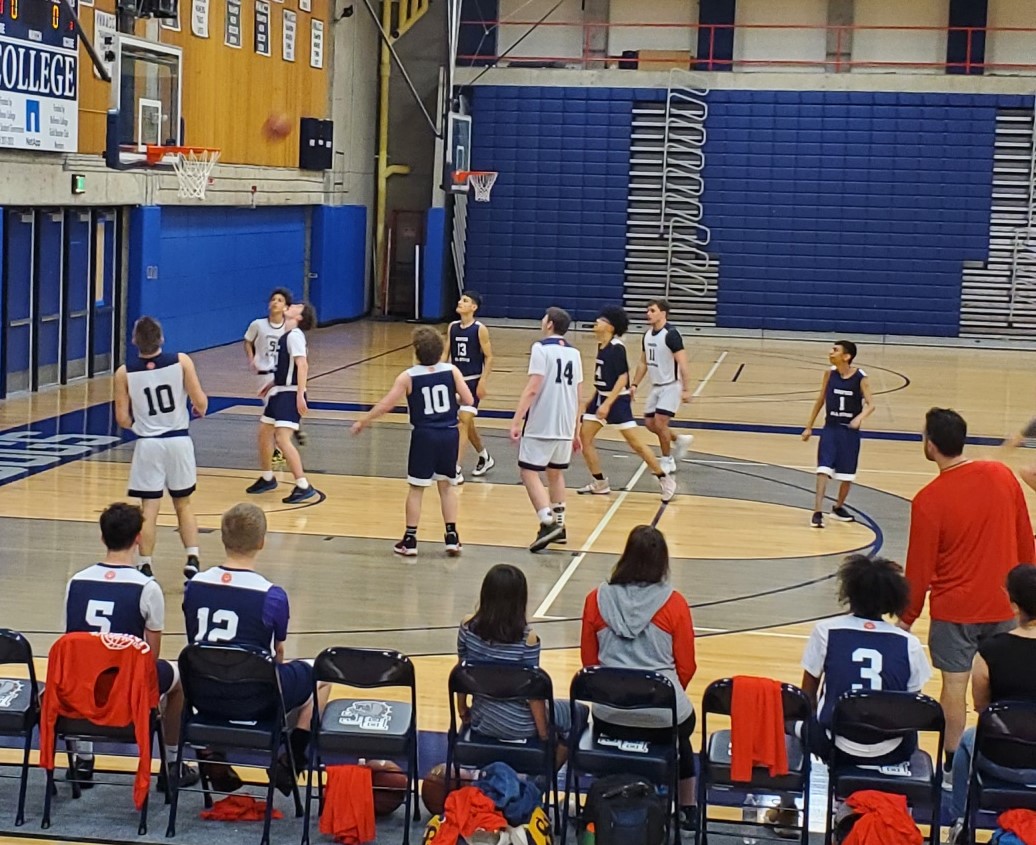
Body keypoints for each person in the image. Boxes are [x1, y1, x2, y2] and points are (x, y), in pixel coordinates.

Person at [902, 407, 1035, 781]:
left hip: (954, 611)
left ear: (930, 445)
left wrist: (907, 617)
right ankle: (1008, 758)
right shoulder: (1002, 476)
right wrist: (1029, 598)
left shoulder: (928, 499)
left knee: (954, 689)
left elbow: (919, 568)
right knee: (1004, 690)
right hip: (1003, 605)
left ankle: (950, 769)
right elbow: (1025, 539)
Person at [183, 503, 326, 793]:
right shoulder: (272, 595)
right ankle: (293, 759)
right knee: (321, 676)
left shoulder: (194, 586)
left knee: (209, 663)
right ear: (261, 542)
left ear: (223, 538)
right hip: (256, 699)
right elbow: (278, 653)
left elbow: (194, 642)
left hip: (202, 693)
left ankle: (211, 753)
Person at [62, 502, 201, 792]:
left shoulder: (76, 582)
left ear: (103, 538)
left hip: (85, 686)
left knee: (80, 672)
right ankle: (171, 765)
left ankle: (83, 761)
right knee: (179, 680)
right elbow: (151, 656)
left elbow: (71, 644)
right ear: (138, 538)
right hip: (126, 689)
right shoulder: (146, 587)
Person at [580, 525, 698, 832]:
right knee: (681, 734)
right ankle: (688, 807)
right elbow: (687, 666)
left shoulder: (596, 599)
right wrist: (660, 698)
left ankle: (604, 802)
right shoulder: (675, 603)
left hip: (610, 714)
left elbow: (589, 663)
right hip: (663, 716)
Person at [352, 327, 473, 557]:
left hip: (424, 435)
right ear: (440, 350)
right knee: (447, 487)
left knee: (417, 488)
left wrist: (363, 421)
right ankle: (452, 537)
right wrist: (451, 398)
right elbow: (467, 399)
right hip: (449, 434)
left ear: (416, 351)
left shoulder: (408, 376)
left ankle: (410, 539)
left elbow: (386, 405)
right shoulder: (452, 371)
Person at [801, 554, 931, 763]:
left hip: (833, 745)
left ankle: (805, 776)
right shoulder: (910, 644)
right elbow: (911, 707)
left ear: (850, 592)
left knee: (791, 722)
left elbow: (807, 696)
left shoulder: (825, 631)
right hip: (892, 750)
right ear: (893, 597)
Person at [456, 564, 586, 765]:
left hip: (482, 721)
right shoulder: (528, 640)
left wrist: (462, 709)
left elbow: (462, 675)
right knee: (578, 712)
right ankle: (545, 778)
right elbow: (533, 696)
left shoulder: (467, 628)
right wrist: (544, 736)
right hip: (520, 725)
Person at [946, 564, 1036, 844]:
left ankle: (961, 822)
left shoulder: (990, 650)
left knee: (967, 740)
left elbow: (982, 708)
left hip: (1001, 757)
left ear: (1014, 605)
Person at [114, 316, 207, 580]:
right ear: (161, 338)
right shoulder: (181, 361)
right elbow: (201, 403)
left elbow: (122, 418)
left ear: (134, 340)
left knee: (149, 509)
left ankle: (145, 564)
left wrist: (141, 426)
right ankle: (192, 557)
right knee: (183, 504)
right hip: (178, 441)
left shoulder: (124, 372)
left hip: (149, 444)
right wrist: (195, 408)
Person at [578, 305, 676, 503]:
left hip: (617, 401)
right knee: (585, 438)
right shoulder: (601, 344)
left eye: (601, 320)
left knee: (635, 443)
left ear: (611, 326)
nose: (596, 322)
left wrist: (607, 404)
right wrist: (594, 397)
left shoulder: (617, 348)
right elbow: (605, 377)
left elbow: (622, 378)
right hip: (600, 398)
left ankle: (664, 479)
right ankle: (600, 483)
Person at [510, 307, 583, 553]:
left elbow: (533, 388)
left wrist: (517, 420)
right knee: (555, 473)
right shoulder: (575, 353)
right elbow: (579, 394)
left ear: (550, 324)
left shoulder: (540, 348)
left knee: (528, 471)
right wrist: (576, 429)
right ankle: (560, 525)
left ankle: (547, 521)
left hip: (543, 422)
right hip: (565, 424)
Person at [245, 302, 320, 504]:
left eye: (297, 306)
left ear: (299, 317)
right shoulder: (286, 336)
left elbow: (302, 365)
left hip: (290, 393)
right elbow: (285, 369)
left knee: (282, 438)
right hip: (279, 392)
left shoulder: (295, 335)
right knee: (264, 433)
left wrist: (300, 394)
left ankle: (303, 485)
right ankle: (268, 478)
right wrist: (270, 385)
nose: (292, 305)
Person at [801, 340, 876, 529]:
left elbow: (871, 405)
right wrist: (809, 426)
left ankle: (838, 508)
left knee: (847, 475)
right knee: (823, 469)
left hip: (849, 432)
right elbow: (820, 400)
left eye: (835, 350)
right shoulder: (829, 374)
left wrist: (859, 418)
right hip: (831, 428)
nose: (830, 352)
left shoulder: (860, 377)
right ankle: (817, 512)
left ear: (847, 356)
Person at [629, 299, 694, 475]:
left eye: (652, 310)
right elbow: (643, 362)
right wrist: (634, 384)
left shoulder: (671, 334)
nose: (648, 314)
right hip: (656, 386)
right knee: (650, 424)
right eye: (647, 310)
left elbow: (683, 363)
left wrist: (686, 389)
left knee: (660, 422)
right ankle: (678, 439)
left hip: (671, 385)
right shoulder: (647, 335)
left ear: (663, 313)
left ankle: (667, 460)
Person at [244, 287, 304, 466]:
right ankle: (286, 438)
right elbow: (247, 341)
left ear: (286, 307)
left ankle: (280, 448)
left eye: (280, 300)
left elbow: (300, 359)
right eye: (273, 299)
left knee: (274, 415)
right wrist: (252, 359)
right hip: (264, 375)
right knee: (272, 416)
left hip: (280, 376)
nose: (275, 302)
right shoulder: (258, 324)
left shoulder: (289, 329)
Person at [446, 290, 494, 483]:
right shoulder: (452, 327)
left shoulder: (479, 329)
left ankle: (455, 468)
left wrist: (483, 381)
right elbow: (445, 353)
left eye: (465, 301)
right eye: (460, 299)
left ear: (473, 307)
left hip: (473, 381)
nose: (460, 302)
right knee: (467, 423)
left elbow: (489, 357)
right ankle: (484, 456)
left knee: (463, 421)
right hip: (455, 381)